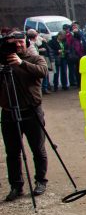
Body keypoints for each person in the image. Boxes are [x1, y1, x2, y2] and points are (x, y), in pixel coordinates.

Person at [0, 31, 49, 201]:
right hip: (8, 112)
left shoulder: (35, 58)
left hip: (31, 110)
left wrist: (21, 63)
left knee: (37, 148)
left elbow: (43, 72)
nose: (18, 45)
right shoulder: (3, 62)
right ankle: (16, 186)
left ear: (26, 42)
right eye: (13, 43)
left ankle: (40, 181)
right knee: (12, 152)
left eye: (20, 42)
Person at [66, 22, 86, 88]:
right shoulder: (75, 40)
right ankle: (79, 83)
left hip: (79, 56)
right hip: (77, 56)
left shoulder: (77, 38)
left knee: (78, 70)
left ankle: (79, 83)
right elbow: (77, 49)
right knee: (78, 70)